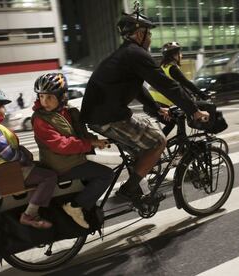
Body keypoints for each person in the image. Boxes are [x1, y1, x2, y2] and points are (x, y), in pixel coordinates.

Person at [79, 5, 209, 206]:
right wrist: (194, 110)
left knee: (148, 135)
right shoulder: (136, 54)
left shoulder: (126, 55)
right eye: (149, 34)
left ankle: (141, 190)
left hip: (102, 115)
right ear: (140, 33)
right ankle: (129, 190)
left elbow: (138, 88)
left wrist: (157, 108)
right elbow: (167, 85)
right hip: (109, 117)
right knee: (158, 141)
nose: (150, 39)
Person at [0, 83, 57, 230]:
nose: (5, 109)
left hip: (10, 171)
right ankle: (29, 214)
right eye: (3, 105)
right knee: (50, 176)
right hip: (12, 172)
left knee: (44, 167)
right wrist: (26, 156)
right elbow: (10, 155)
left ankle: (37, 203)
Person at [32, 73, 114, 229]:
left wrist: (97, 140)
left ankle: (89, 209)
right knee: (106, 175)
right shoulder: (40, 119)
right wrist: (90, 144)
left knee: (94, 175)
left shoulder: (67, 111)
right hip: (62, 165)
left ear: (62, 96)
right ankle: (75, 206)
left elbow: (80, 133)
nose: (44, 102)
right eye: (41, 97)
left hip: (73, 159)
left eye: (49, 97)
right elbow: (61, 145)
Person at [145, 41, 209, 136]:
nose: (181, 55)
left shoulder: (163, 67)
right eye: (179, 53)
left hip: (151, 103)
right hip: (160, 105)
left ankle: (177, 144)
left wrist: (190, 95)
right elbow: (186, 83)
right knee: (173, 122)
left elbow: (180, 86)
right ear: (174, 55)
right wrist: (202, 94)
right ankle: (159, 144)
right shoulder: (172, 69)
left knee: (177, 119)